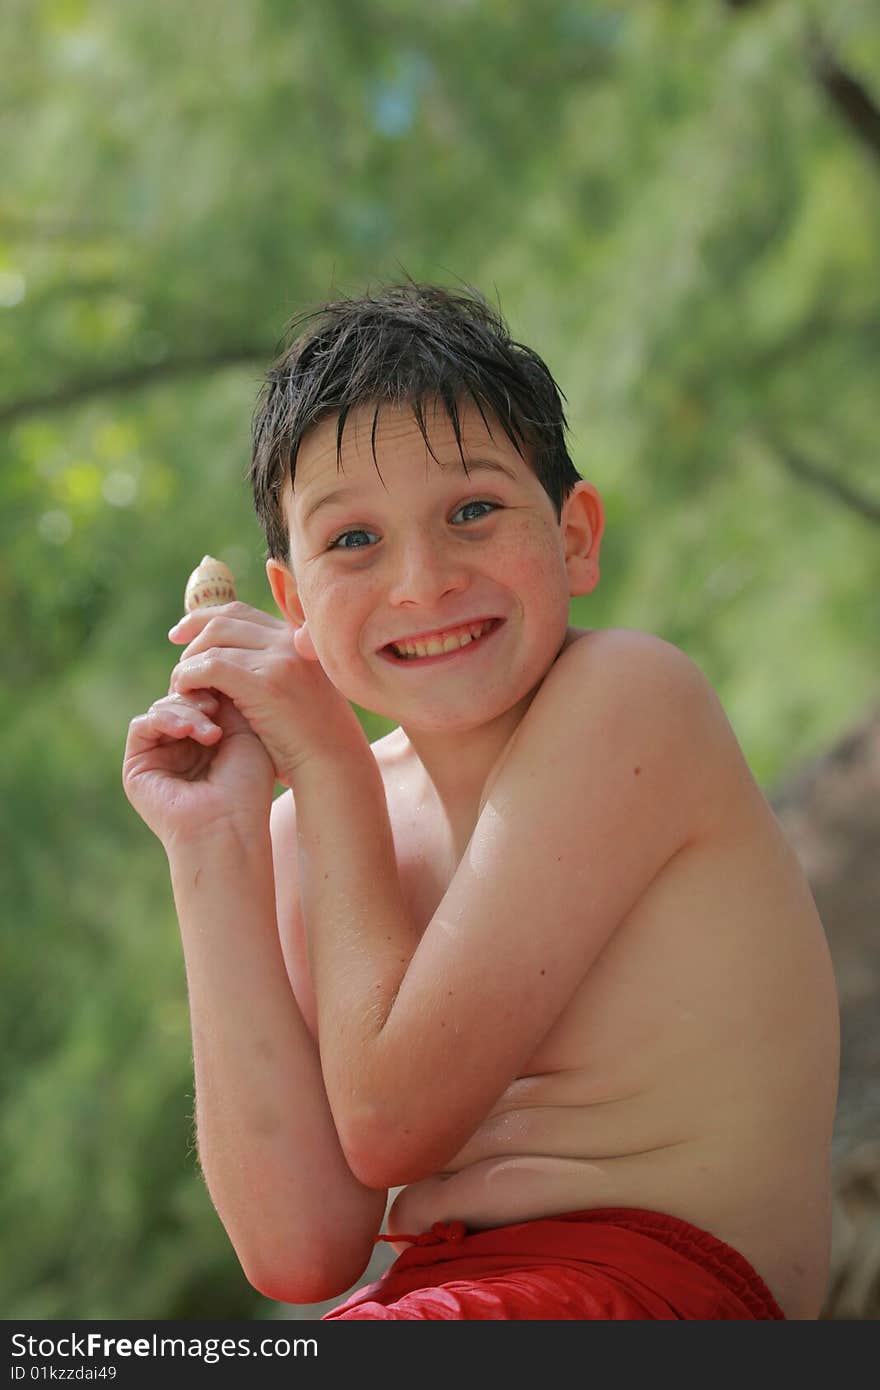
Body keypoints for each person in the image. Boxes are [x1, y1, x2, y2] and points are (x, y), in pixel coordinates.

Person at [122, 281, 840, 1320]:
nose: (422, 581)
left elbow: (390, 1123)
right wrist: (212, 846)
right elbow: (297, 1249)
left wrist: (326, 764)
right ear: (293, 609)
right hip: (433, 1300)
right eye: (353, 540)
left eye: (472, 511)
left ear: (574, 534)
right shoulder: (311, 828)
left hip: (650, 1284)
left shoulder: (630, 700)